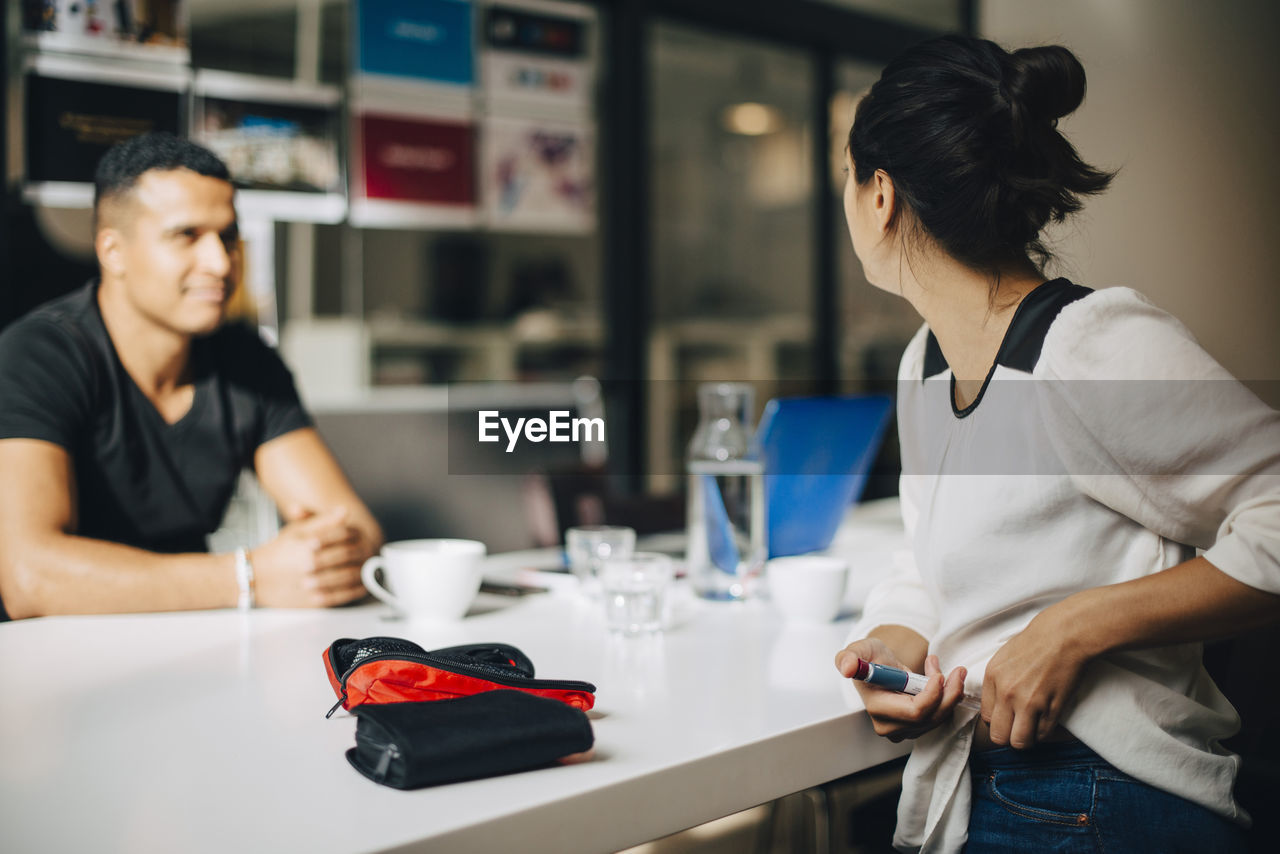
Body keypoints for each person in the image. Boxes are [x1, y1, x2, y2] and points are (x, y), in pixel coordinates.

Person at [830, 35, 1280, 853]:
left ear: (882, 195)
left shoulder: (1087, 345)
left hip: (1102, 794)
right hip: (982, 781)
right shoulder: (926, 362)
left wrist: (1075, 628)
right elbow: (928, 555)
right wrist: (892, 642)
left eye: (848, 182)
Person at [0, 133, 383, 619]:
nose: (221, 263)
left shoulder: (244, 360)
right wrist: (252, 576)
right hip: (55, 666)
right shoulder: (40, 354)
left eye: (228, 236)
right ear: (113, 251)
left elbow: (358, 531)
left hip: (196, 643)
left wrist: (324, 556)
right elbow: (28, 577)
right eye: (187, 235)